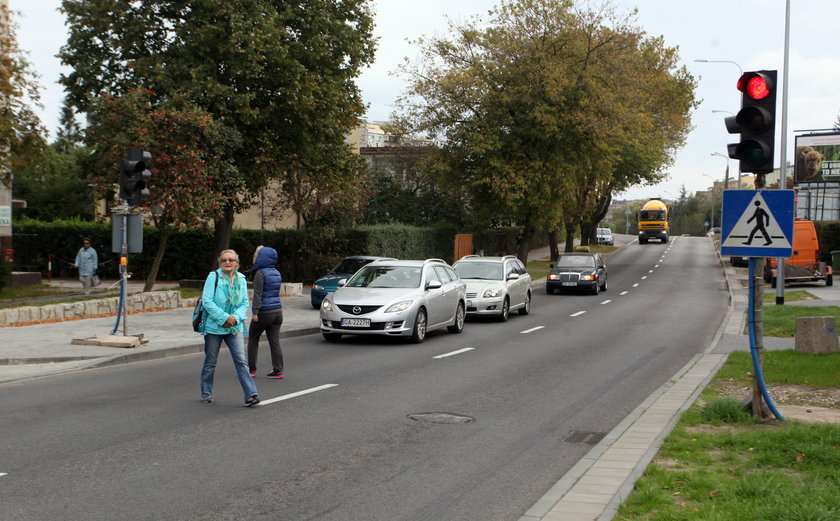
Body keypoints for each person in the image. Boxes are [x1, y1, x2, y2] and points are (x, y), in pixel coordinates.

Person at [198, 249, 259, 406]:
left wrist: (235, 318)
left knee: (241, 361)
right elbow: (207, 301)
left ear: (236, 263)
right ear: (220, 263)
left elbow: (245, 302)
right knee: (210, 362)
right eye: (224, 260)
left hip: (234, 327)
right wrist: (224, 318)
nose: (227, 262)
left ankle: (251, 394)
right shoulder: (214, 277)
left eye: (231, 260)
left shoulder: (241, 279)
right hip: (214, 327)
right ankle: (206, 392)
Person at [247, 246, 285, 379]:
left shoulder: (260, 273)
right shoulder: (277, 272)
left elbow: (258, 295)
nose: (255, 256)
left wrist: (255, 312)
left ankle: (251, 370)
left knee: (253, 339)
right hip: (277, 312)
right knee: (274, 341)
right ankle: (278, 370)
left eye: (257, 254)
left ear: (262, 257)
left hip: (264, 312)